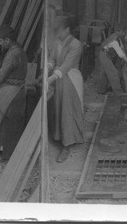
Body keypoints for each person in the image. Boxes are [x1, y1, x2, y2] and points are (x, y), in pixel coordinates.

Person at [0, 27, 27, 162]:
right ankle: (9, 155)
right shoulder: (20, 51)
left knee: (0, 123)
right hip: (19, 91)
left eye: (2, 41)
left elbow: (0, 77)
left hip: (10, 93)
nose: (1, 44)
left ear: (8, 40)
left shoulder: (12, 54)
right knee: (13, 125)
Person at [47, 16, 84, 163]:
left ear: (68, 29)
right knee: (58, 110)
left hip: (70, 79)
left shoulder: (76, 44)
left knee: (67, 112)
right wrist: (49, 66)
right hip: (58, 79)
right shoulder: (57, 42)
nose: (58, 35)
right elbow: (53, 58)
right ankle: (59, 137)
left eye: (60, 31)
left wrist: (50, 78)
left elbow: (67, 65)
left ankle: (67, 145)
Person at [97, 25, 127, 95]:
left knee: (105, 73)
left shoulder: (118, 37)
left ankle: (101, 91)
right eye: (122, 32)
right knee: (113, 72)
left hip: (105, 53)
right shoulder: (114, 41)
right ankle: (118, 92)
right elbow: (121, 54)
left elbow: (122, 49)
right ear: (117, 32)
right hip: (104, 55)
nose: (123, 33)